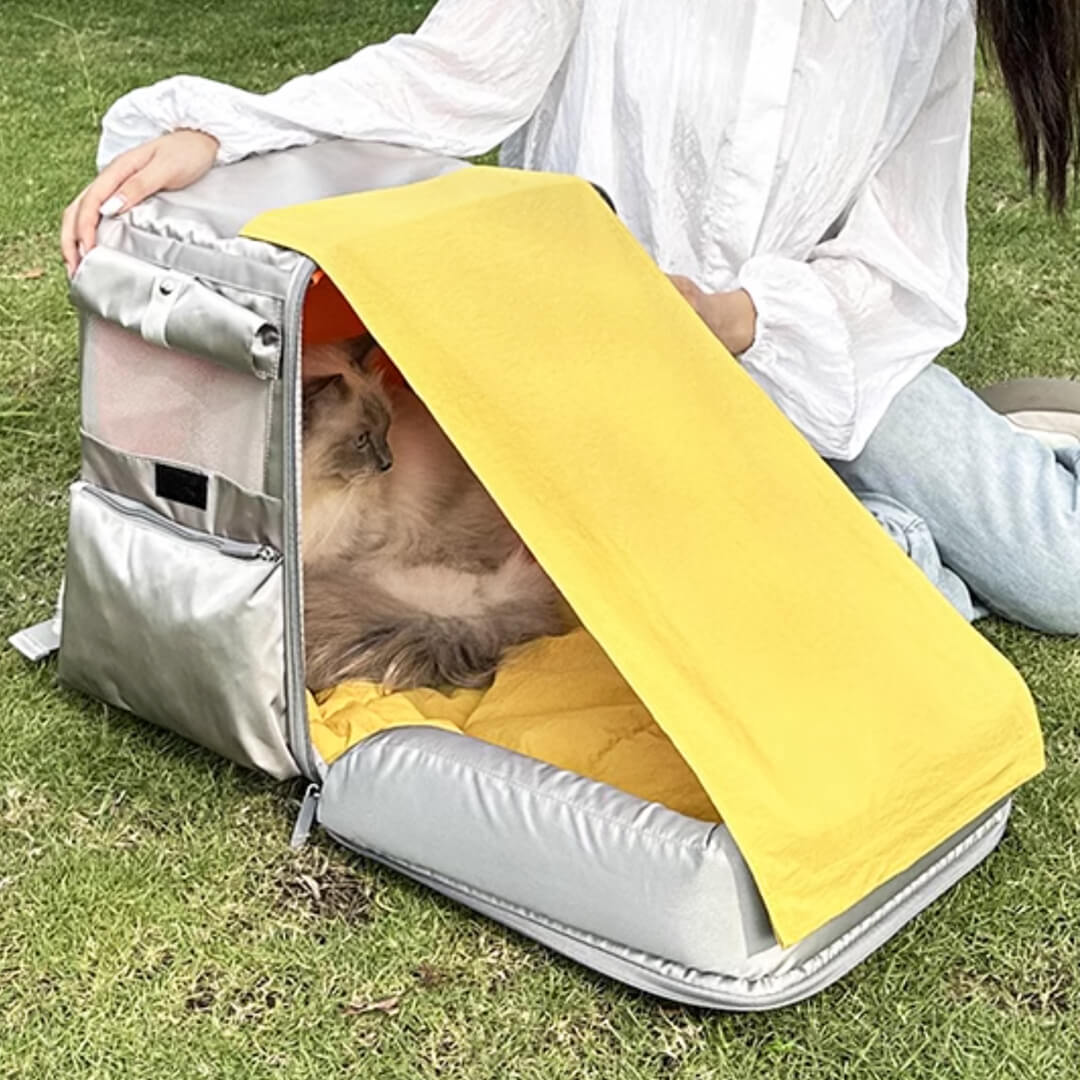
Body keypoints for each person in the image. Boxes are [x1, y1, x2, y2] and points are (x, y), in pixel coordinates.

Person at [60, 0, 1080, 632]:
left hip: (817, 345)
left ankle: (1009, 461)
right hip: (602, 364)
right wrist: (222, 132)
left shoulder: (927, 13)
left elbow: (896, 260)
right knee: (879, 585)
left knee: (1060, 577)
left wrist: (736, 316)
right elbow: (447, 75)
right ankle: (868, 542)